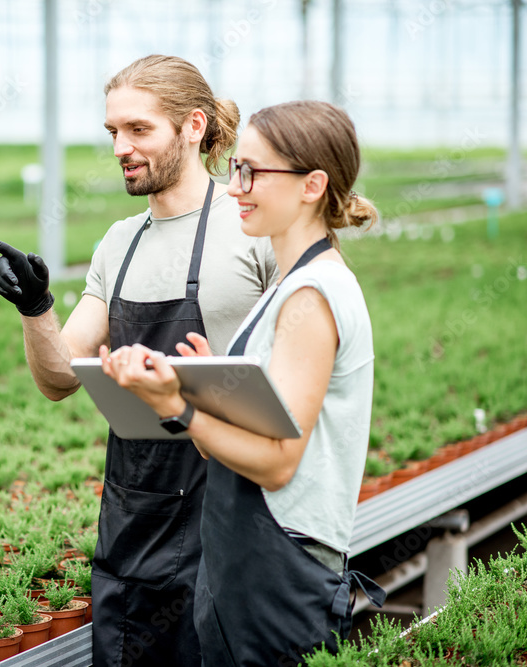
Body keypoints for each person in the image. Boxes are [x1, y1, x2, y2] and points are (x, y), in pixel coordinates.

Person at [0, 55, 276, 666]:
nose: (120, 146)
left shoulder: (254, 229)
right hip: (135, 515)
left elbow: (302, 376)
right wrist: (35, 308)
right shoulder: (121, 241)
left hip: (230, 506)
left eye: (139, 130)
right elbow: (61, 377)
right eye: (113, 131)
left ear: (193, 127)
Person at [99, 100, 387, 665]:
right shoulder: (292, 286)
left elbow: (279, 463)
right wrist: (210, 389)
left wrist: (180, 406)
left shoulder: (311, 296)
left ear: (312, 186)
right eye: (236, 170)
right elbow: (233, 445)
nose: (236, 188)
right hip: (248, 564)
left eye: (253, 172)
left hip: (279, 569)